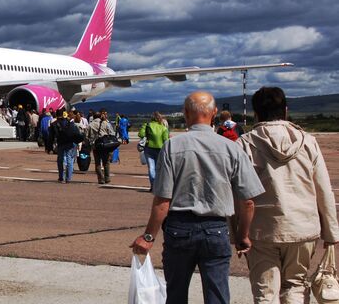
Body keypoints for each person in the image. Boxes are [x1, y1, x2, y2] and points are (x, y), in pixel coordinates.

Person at [130, 91, 264, 304]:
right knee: (217, 294)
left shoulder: (173, 146)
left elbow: (162, 201)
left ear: (185, 113)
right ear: (214, 113)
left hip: (179, 229)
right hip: (216, 228)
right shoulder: (231, 148)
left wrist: (148, 237)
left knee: (176, 293)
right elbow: (247, 200)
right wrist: (242, 235)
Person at [237, 87, 339, 303]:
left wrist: (237, 233)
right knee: (295, 286)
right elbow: (323, 189)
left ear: (255, 113)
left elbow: (238, 192)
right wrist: (331, 233)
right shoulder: (307, 141)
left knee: (265, 292)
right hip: (303, 227)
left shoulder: (245, 143)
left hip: (261, 230)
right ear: (285, 110)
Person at [138, 112, 169, 191]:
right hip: (160, 149)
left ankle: (153, 186)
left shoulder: (147, 125)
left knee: (151, 168)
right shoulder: (163, 128)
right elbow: (166, 140)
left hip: (149, 148)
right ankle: (160, 185)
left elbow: (141, 134)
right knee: (160, 168)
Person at [49, 111, 82, 183]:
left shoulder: (54, 124)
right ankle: (68, 178)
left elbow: (51, 137)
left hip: (60, 143)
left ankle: (61, 177)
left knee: (60, 160)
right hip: (70, 143)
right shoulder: (69, 122)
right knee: (69, 159)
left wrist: (50, 148)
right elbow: (76, 132)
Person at [87, 109, 116, 184]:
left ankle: (100, 179)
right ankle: (107, 178)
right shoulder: (105, 123)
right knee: (106, 162)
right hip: (105, 145)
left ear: (93, 117)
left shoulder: (90, 125)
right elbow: (112, 133)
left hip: (96, 145)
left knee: (97, 163)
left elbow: (87, 136)